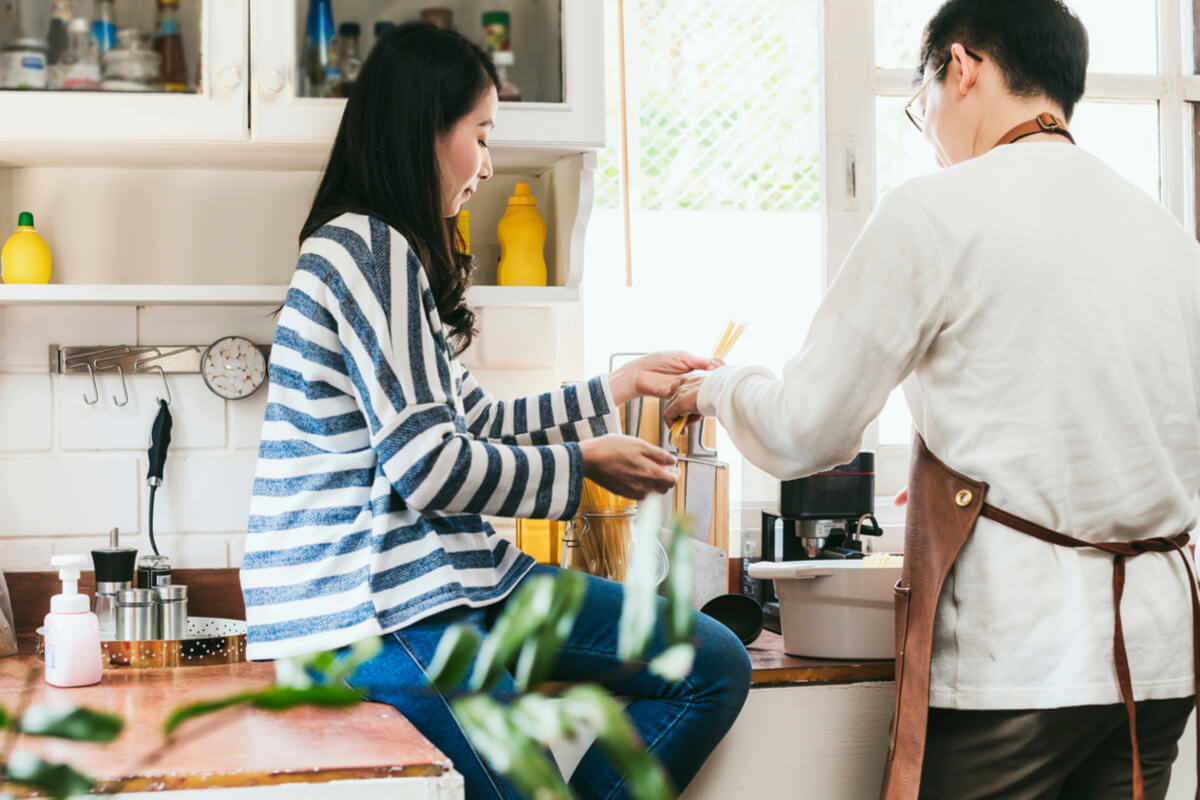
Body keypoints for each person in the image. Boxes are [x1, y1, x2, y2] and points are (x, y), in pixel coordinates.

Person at [665, 1, 1200, 798]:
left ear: (962, 67)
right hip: (1158, 660)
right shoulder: (1169, 237)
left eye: (925, 106)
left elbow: (806, 429)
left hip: (1019, 664)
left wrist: (715, 387)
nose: (933, 134)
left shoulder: (935, 210)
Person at [238, 21, 750, 800]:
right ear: (425, 130)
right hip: (374, 612)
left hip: (452, 581)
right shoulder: (366, 249)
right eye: (479, 134)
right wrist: (582, 466)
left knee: (709, 661)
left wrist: (616, 388)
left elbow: (473, 422)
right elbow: (429, 468)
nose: (486, 162)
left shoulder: (389, 255)